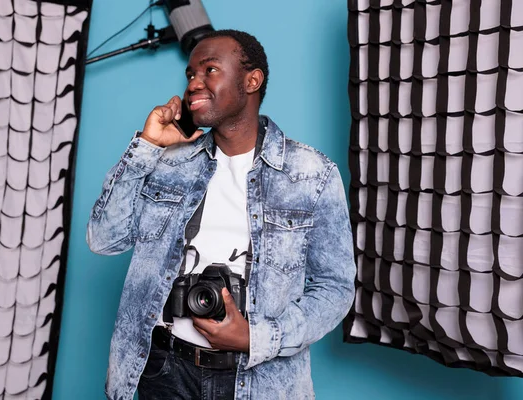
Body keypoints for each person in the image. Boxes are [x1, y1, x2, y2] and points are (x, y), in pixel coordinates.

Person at [86, 29, 356, 400]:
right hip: (164, 370)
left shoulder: (313, 174)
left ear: (251, 80)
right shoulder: (167, 164)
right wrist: (146, 146)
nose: (194, 83)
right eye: (190, 75)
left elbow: (335, 288)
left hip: (259, 381)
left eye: (209, 70)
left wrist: (256, 337)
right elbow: (104, 239)